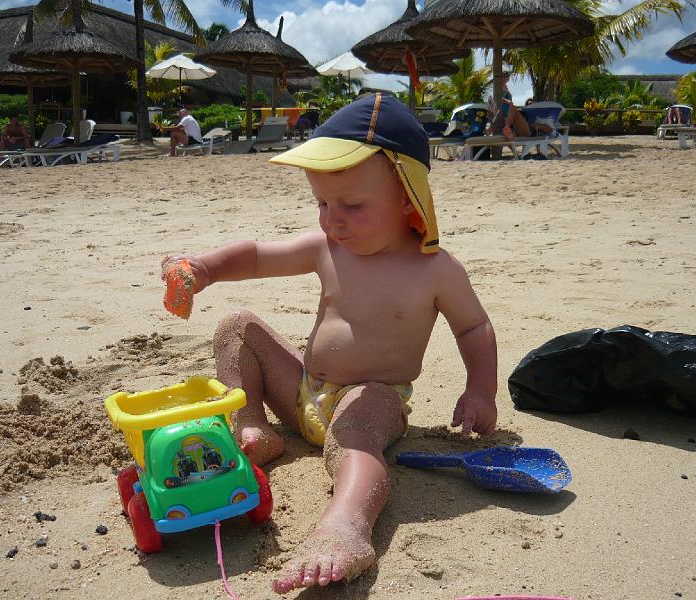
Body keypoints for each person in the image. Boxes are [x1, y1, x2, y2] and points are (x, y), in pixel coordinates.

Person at [161, 94, 498, 594]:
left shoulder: (435, 270)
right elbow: (256, 257)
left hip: (375, 397)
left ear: (409, 196)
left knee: (356, 431)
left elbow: (474, 328)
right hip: (303, 391)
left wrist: (480, 390)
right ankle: (254, 426)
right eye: (322, 203)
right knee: (237, 326)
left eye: (353, 206)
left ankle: (346, 527)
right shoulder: (328, 247)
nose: (332, 220)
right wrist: (205, 268)